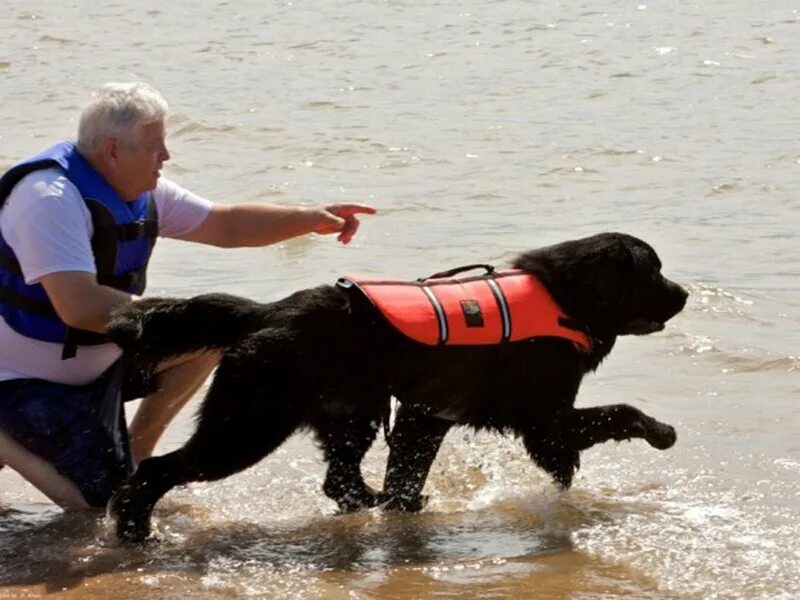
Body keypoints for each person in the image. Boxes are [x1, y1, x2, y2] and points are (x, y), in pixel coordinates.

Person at [0, 82, 376, 510]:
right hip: (23, 380)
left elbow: (225, 224)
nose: (167, 156)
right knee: (96, 508)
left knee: (206, 339)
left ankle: (138, 455)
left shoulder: (138, 189)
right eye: (155, 145)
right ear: (112, 150)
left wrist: (308, 218)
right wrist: (186, 315)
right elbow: (80, 307)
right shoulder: (48, 199)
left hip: (103, 366)